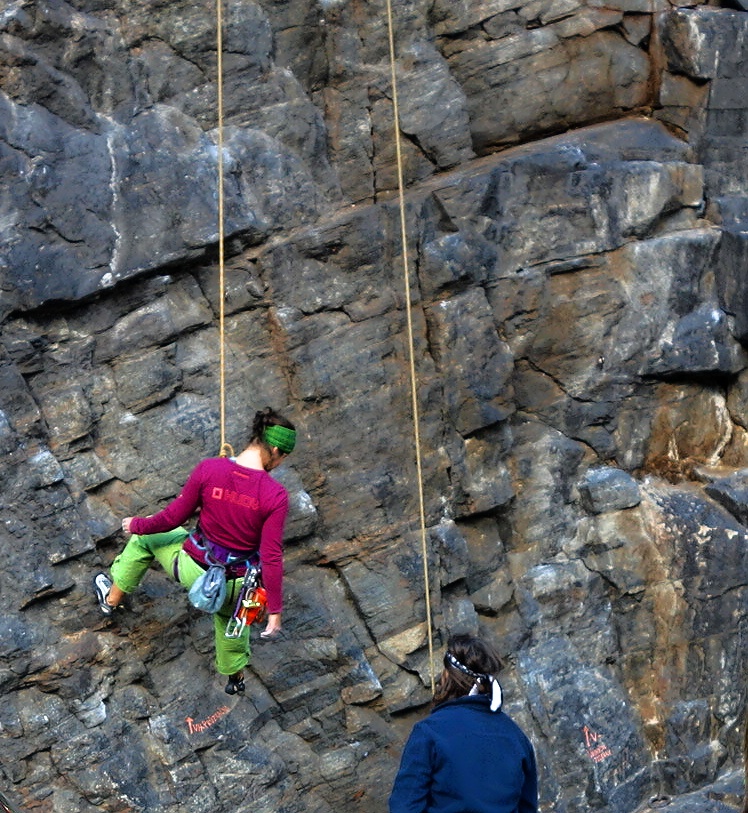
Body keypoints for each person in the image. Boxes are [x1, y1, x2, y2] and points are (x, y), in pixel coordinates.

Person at [93, 407, 296, 696]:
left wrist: (138, 525)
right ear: (275, 450)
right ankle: (235, 678)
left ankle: (110, 600)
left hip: (194, 569)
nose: (280, 462)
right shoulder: (275, 495)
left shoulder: (210, 469)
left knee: (145, 540)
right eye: (283, 456)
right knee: (231, 623)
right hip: (237, 586)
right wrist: (275, 610)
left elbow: (172, 518)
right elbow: (272, 556)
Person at [389, 633, 538, 813]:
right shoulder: (516, 737)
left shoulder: (430, 731)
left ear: (448, 676)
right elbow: (527, 807)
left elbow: (405, 806)